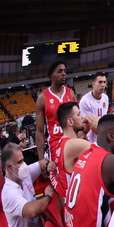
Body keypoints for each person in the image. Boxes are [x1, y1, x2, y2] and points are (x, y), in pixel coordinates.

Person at [34, 60, 76, 188]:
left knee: (77, 182)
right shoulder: (43, 98)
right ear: (51, 77)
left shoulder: (70, 93)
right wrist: (41, 159)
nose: (64, 74)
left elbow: (77, 122)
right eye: (60, 71)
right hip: (55, 148)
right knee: (61, 188)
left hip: (73, 144)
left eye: (65, 71)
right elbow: (39, 131)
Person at [54, 102, 93, 203]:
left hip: (68, 201)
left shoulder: (62, 142)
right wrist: (96, 125)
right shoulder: (72, 145)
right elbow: (102, 151)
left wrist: (84, 132)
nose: (82, 118)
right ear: (70, 121)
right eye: (79, 114)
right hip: (77, 203)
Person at [78, 72, 108, 143]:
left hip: (101, 137)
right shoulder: (85, 101)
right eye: (100, 82)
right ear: (93, 84)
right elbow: (91, 125)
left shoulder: (105, 98)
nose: (103, 85)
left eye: (104, 82)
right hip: (90, 140)